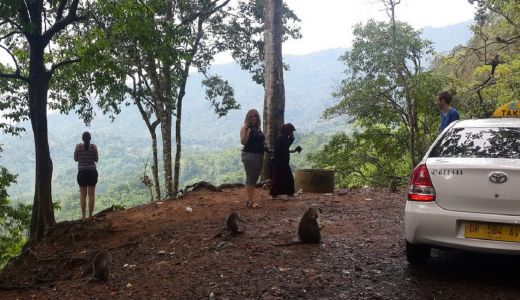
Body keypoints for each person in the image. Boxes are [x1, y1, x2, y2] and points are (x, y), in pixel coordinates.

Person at [240, 109, 265, 208]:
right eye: (251, 116)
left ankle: (250, 200)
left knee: (255, 177)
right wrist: (246, 130)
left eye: (255, 116)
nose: (253, 118)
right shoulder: (246, 128)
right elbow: (243, 142)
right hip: (250, 155)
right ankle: (250, 202)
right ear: (248, 118)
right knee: (251, 177)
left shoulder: (257, 129)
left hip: (259, 155)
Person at [270, 123, 302, 199]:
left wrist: (292, 139)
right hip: (280, 162)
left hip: (282, 161)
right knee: (285, 178)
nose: (292, 133)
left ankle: (281, 193)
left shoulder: (284, 138)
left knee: (282, 177)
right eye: (291, 131)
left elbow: (286, 146)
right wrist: (291, 139)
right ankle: (279, 194)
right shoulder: (281, 139)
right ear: (288, 131)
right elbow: (280, 150)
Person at [74, 131, 99, 222]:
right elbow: (96, 159)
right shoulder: (93, 147)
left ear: (82, 139)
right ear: (90, 138)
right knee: (91, 195)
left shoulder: (78, 147)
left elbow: (75, 159)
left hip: (82, 173)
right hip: (92, 173)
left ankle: (83, 217)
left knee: (83, 195)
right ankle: (90, 216)